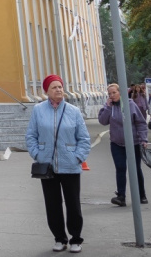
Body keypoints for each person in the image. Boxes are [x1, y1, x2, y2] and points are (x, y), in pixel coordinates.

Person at [25, 74, 91, 253]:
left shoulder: (73, 111)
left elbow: (84, 138)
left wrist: (77, 157)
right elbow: (31, 136)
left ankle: (75, 238)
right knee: (52, 204)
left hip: (70, 164)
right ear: (47, 91)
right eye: (54, 87)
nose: (59, 90)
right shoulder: (38, 110)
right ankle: (59, 238)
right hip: (47, 166)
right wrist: (38, 155)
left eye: (60, 87)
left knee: (73, 204)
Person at [98, 83, 148, 206]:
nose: (112, 95)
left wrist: (143, 139)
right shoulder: (109, 107)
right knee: (120, 168)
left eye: (114, 92)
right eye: (109, 94)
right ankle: (121, 196)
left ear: (120, 92)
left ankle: (142, 195)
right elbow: (103, 121)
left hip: (133, 143)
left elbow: (141, 123)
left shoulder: (130, 104)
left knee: (135, 169)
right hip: (116, 143)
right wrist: (108, 107)